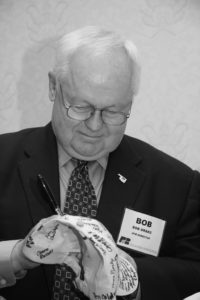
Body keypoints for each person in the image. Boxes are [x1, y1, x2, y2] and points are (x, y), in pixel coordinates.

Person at [0, 25, 200, 300]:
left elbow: (194, 268)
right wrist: (16, 256)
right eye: (81, 107)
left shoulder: (177, 183)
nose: (95, 126)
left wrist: (132, 281)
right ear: (53, 88)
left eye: (113, 111)